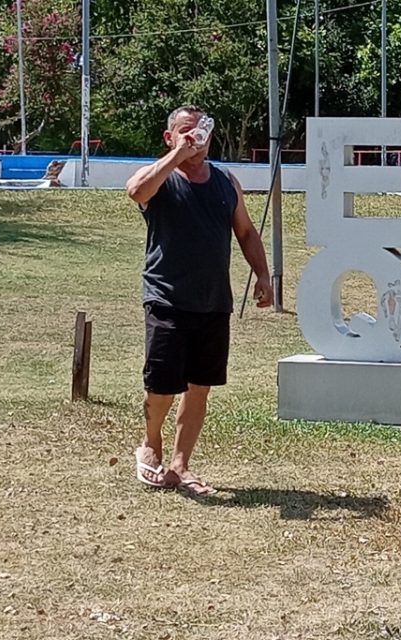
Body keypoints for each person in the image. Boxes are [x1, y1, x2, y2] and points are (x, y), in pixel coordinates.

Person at [125, 105, 272, 496]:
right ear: (169, 136)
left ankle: (180, 466)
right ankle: (150, 445)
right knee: (162, 386)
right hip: (166, 297)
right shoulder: (162, 178)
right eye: (185, 132)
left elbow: (245, 232)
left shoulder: (226, 182)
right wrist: (178, 156)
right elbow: (136, 190)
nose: (195, 138)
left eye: (200, 131)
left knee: (199, 387)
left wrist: (262, 274)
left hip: (212, 301)